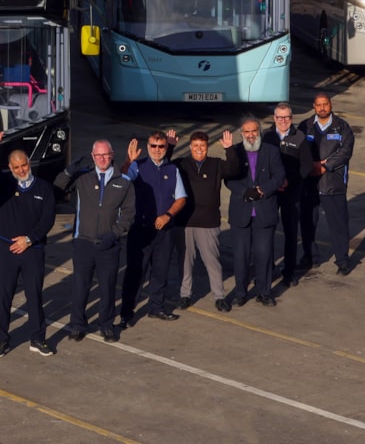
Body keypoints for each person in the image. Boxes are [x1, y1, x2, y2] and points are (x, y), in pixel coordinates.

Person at [0, 122, 56, 358]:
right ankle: (1, 341)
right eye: (16, 166)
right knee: (3, 296)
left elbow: (47, 220)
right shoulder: (4, 184)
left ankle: (38, 339)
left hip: (33, 249)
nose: (22, 169)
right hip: (6, 250)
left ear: (29, 163)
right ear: (11, 167)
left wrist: (29, 239)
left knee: (34, 296)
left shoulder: (44, 188)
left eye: (24, 164)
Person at [54, 139, 135, 342]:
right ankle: (77, 325)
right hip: (83, 242)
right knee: (80, 286)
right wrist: (69, 171)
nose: (102, 159)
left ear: (112, 155)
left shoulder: (123, 181)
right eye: (98, 155)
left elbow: (128, 213)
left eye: (105, 155)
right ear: (92, 156)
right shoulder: (82, 178)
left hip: (109, 244)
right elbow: (57, 188)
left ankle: (106, 324)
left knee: (108, 287)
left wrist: (115, 233)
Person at [119, 130, 188, 325]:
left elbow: (181, 198)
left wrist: (168, 215)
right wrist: (128, 161)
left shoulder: (173, 170)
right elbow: (120, 184)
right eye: (153, 146)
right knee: (135, 272)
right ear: (148, 147)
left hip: (164, 231)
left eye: (161, 146)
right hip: (140, 230)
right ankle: (126, 312)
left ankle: (155, 307)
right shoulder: (137, 167)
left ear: (167, 148)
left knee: (161, 271)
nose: (157, 150)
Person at [170, 130, 237, 313]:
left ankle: (219, 297)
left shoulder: (216, 164)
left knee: (212, 261)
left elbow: (234, 169)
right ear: (190, 147)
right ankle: (185, 295)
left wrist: (229, 149)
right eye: (196, 145)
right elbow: (165, 166)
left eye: (203, 146)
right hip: (184, 222)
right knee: (185, 261)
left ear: (207, 147)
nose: (199, 149)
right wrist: (169, 147)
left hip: (208, 223)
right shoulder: (181, 164)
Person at [224, 116, 285, 307]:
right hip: (241, 212)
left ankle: (264, 292)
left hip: (264, 211)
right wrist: (245, 192)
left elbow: (279, 176)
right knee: (241, 257)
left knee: (264, 254)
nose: (251, 135)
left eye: (254, 131)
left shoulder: (272, 151)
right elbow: (228, 178)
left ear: (259, 131)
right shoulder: (236, 152)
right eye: (247, 132)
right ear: (241, 133)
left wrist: (261, 190)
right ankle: (241, 293)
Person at [298, 93, 356, 275]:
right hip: (309, 183)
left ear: (331, 105)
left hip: (333, 183)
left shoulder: (342, 127)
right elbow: (297, 148)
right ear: (313, 106)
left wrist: (325, 166)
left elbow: (345, 152)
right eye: (318, 105)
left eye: (325, 104)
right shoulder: (304, 126)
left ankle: (342, 260)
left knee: (338, 223)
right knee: (307, 222)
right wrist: (311, 165)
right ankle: (309, 257)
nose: (322, 108)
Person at [263, 102, 315, 286]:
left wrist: (289, 182)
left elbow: (307, 166)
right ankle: (267, 271)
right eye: (280, 117)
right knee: (266, 232)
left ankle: (289, 271)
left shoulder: (299, 137)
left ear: (291, 118)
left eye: (287, 117)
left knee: (291, 232)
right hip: (271, 192)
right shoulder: (267, 137)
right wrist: (273, 183)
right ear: (274, 118)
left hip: (292, 193)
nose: (284, 121)